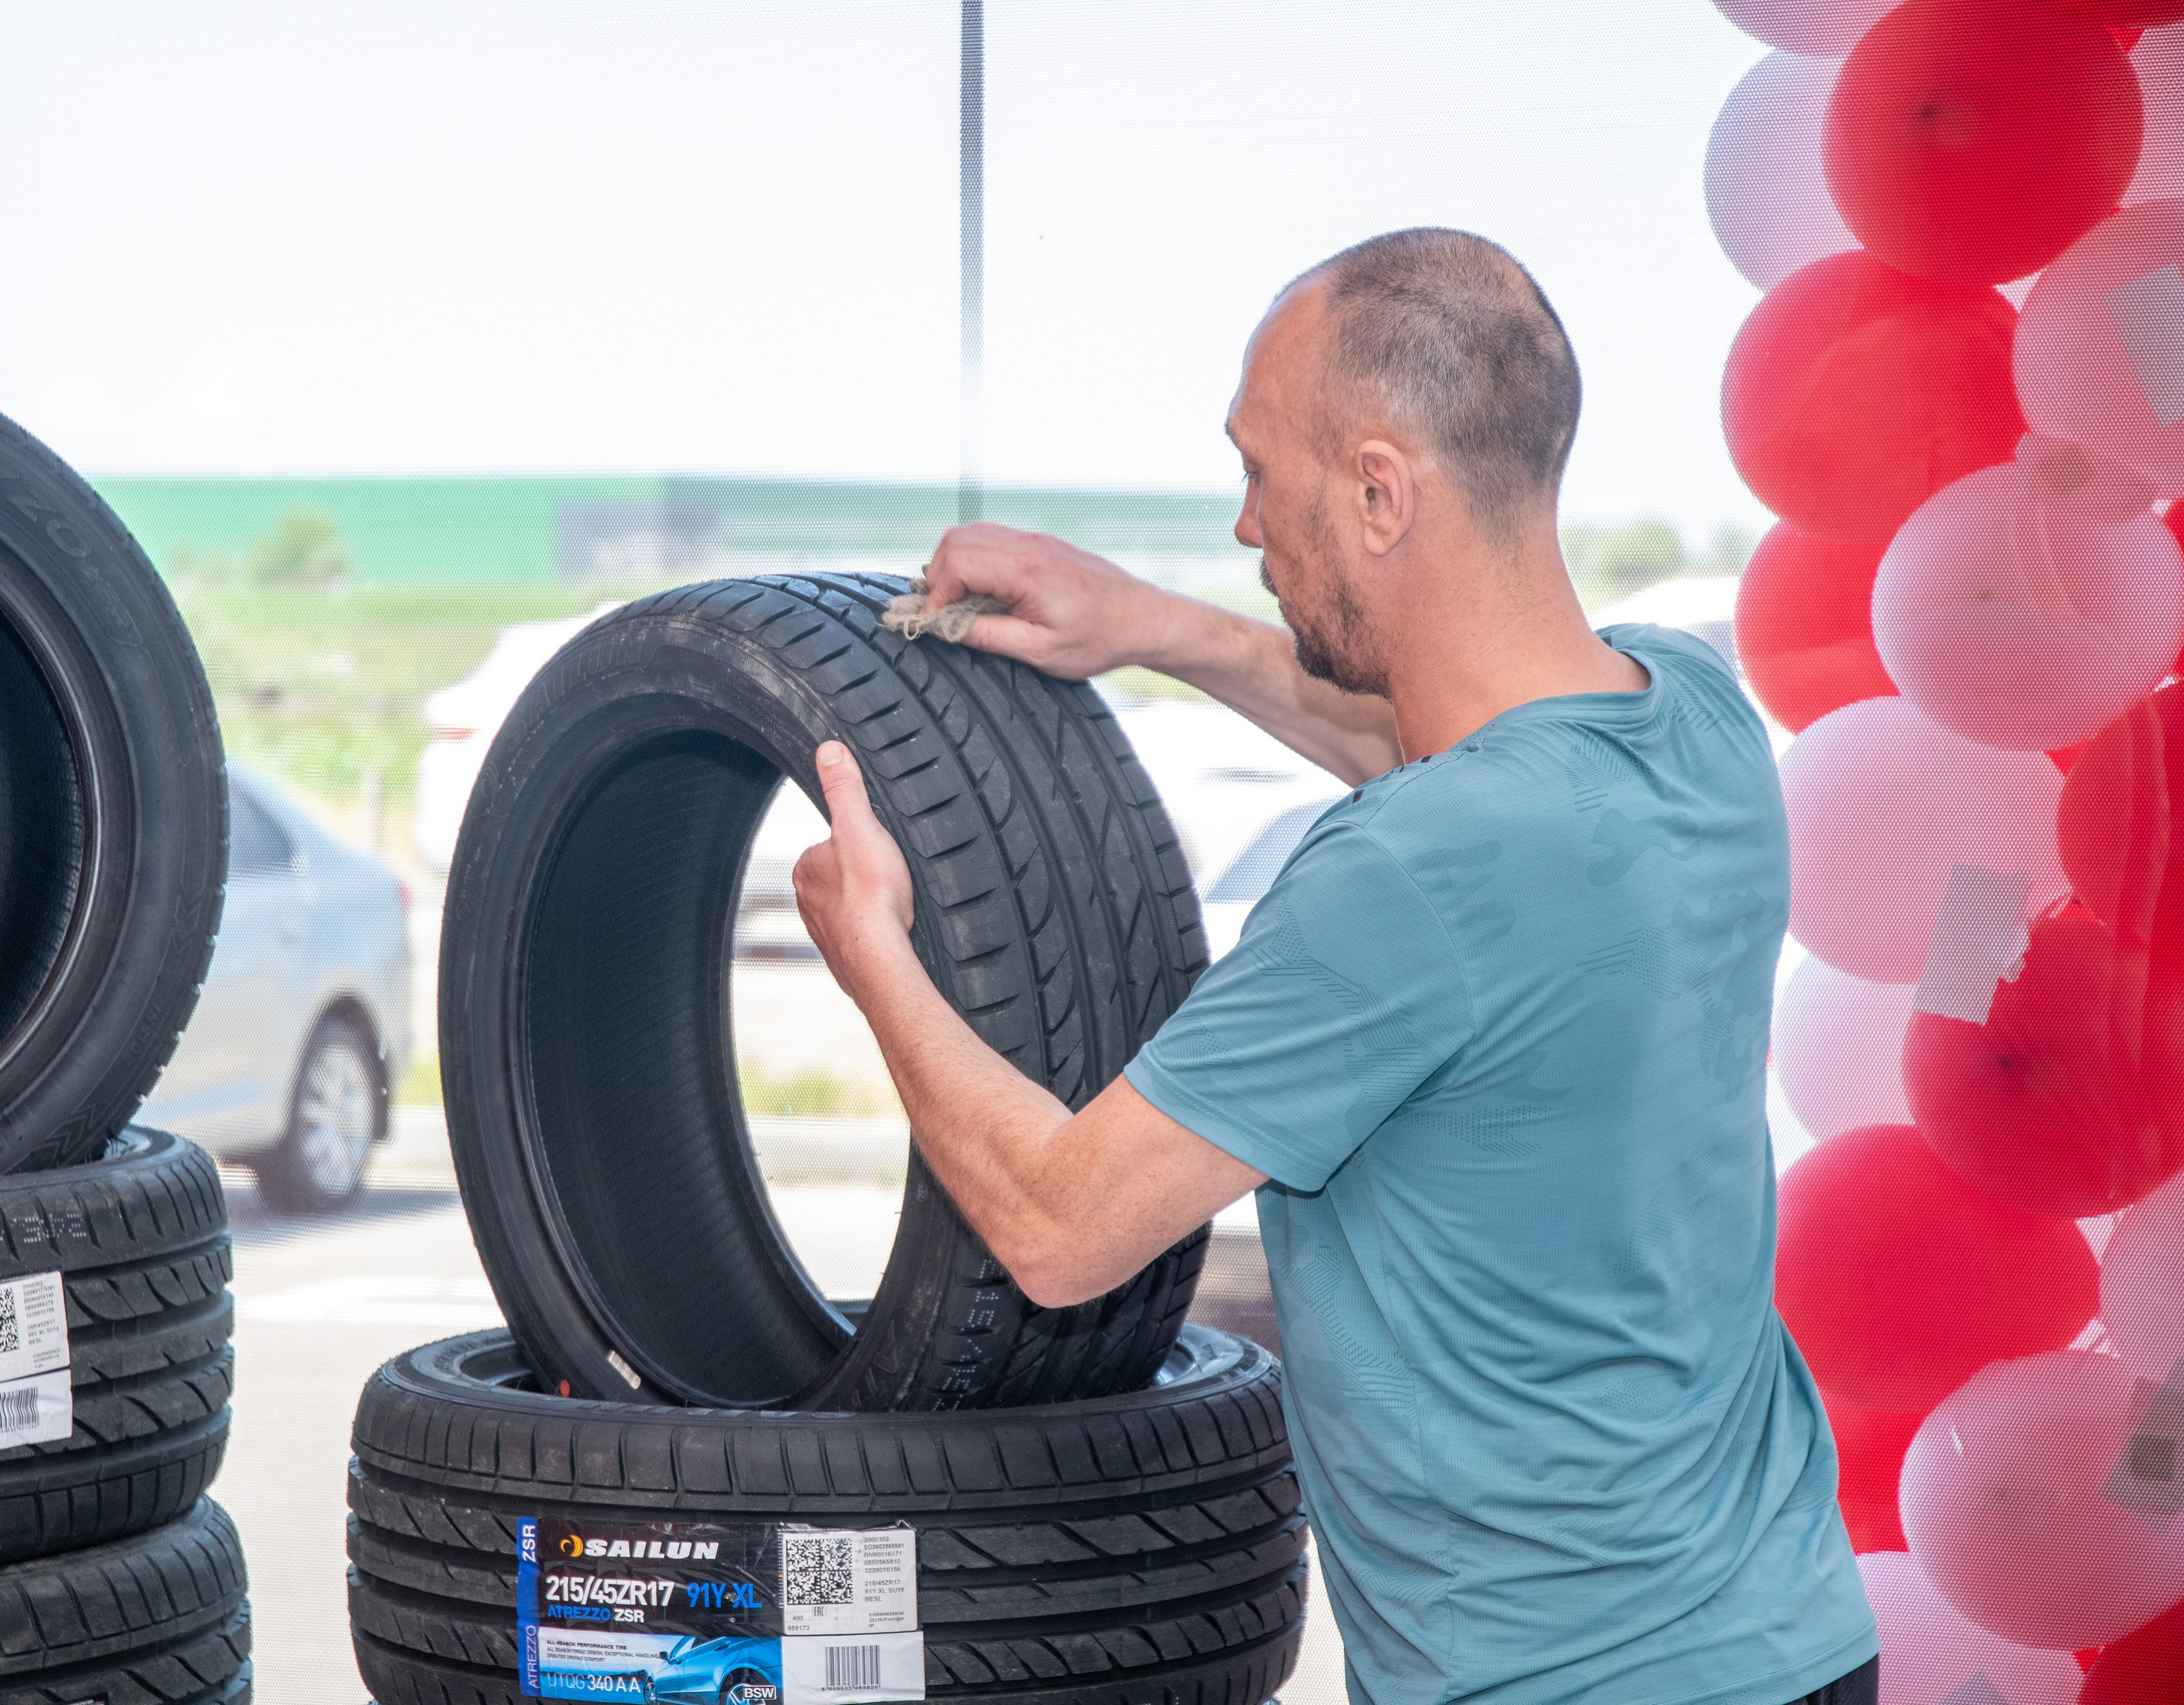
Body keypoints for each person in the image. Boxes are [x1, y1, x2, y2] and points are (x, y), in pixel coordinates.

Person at [790, 228, 1878, 1705]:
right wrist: (1149, 626)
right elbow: (1430, 738)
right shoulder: (1696, 721)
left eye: (1258, 469)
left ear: (1378, 490)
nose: (1246, 525)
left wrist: (874, 954)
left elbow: (1061, 1227)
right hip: (1793, 1634)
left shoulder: (1406, 876)